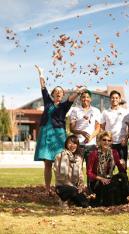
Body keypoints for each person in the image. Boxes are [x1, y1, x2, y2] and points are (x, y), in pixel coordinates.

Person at [34, 65, 82, 195]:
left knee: (61, 163)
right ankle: (48, 189)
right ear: (53, 94)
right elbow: (43, 87)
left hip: (59, 135)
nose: (59, 93)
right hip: (45, 135)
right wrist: (41, 73)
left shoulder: (64, 106)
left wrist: (78, 91)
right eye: (57, 91)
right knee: (48, 164)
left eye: (61, 91)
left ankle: (61, 187)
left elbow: (72, 98)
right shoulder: (48, 102)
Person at [87, 131, 127, 206]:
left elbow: (120, 169)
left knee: (121, 179)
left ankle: (119, 199)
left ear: (111, 142)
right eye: (104, 140)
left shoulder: (114, 152)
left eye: (109, 140)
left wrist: (123, 165)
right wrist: (101, 179)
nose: (106, 142)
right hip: (97, 181)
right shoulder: (94, 154)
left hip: (109, 178)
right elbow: (89, 173)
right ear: (100, 141)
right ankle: (104, 201)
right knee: (110, 187)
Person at [54, 135, 89, 208]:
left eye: (74, 143)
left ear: (77, 145)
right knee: (72, 190)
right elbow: (60, 176)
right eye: (70, 143)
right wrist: (72, 186)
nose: (72, 145)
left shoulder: (78, 158)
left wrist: (81, 185)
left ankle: (71, 200)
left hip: (75, 187)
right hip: (62, 186)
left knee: (85, 204)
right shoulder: (60, 156)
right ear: (66, 144)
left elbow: (80, 174)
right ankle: (63, 200)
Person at [70, 90, 101, 165]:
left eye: (87, 97)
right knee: (77, 170)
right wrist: (81, 132)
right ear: (80, 98)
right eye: (83, 97)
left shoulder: (96, 110)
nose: (85, 99)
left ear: (90, 99)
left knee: (91, 172)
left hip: (91, 145)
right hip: (78, 145)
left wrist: (90, 137)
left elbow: (97, 128)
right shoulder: (75, 110)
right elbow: (71, 129)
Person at [101, 90, 129, 167]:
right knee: (108, 168)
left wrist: (126, 138)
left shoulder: (126, 112)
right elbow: (102, 128)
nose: (114, 99)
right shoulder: (105, 112)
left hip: (122, 143)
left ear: (119, 99)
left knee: (123, 168)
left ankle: (124, 179)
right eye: (112, 98)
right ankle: (109, 179)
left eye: (116, 98)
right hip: (109, 144)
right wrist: (105, 140)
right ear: (110, 99)